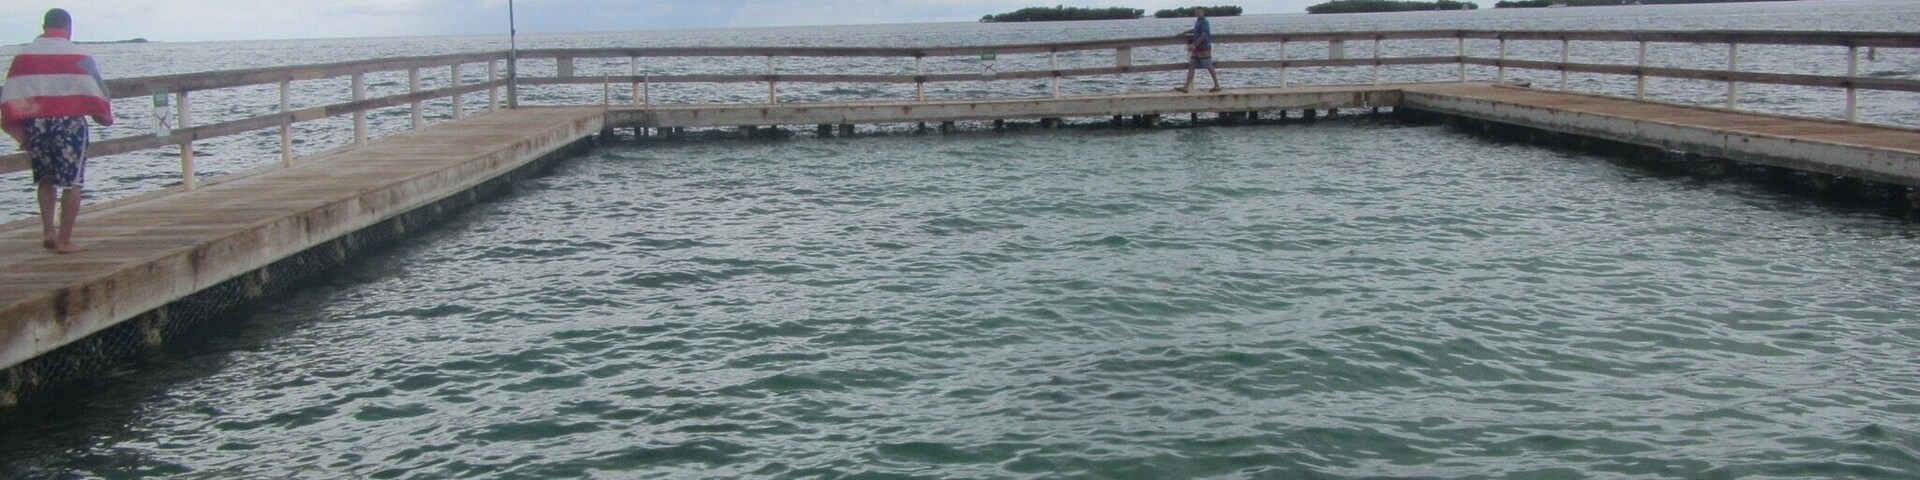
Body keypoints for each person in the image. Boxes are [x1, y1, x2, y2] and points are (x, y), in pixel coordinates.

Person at [3, 8, 114, 254]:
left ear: (44, 26)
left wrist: (21, 134)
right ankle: (65, 240)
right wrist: (102, 116)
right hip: (69, 125)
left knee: (45, 178)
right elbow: (97, 91)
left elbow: (11, 93)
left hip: (37, 123)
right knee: (72, 183)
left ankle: (48, 231)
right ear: (68, 27)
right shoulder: (79, 54)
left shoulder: (24, 55)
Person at [1175, 7, 1221, 94]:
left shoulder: (1205, 22)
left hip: (1204, 48)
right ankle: (1186, 87)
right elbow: (1195, 30)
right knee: (1192, 66)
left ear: (1203, 12)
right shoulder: (1198, 21)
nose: (1198, 14)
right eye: (1196, 12)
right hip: (1197, 49)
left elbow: (1204, 35)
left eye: (1199, 12)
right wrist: (1184, 33)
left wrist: (1194, 44)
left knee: (1209, 66)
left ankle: (1217, 85)